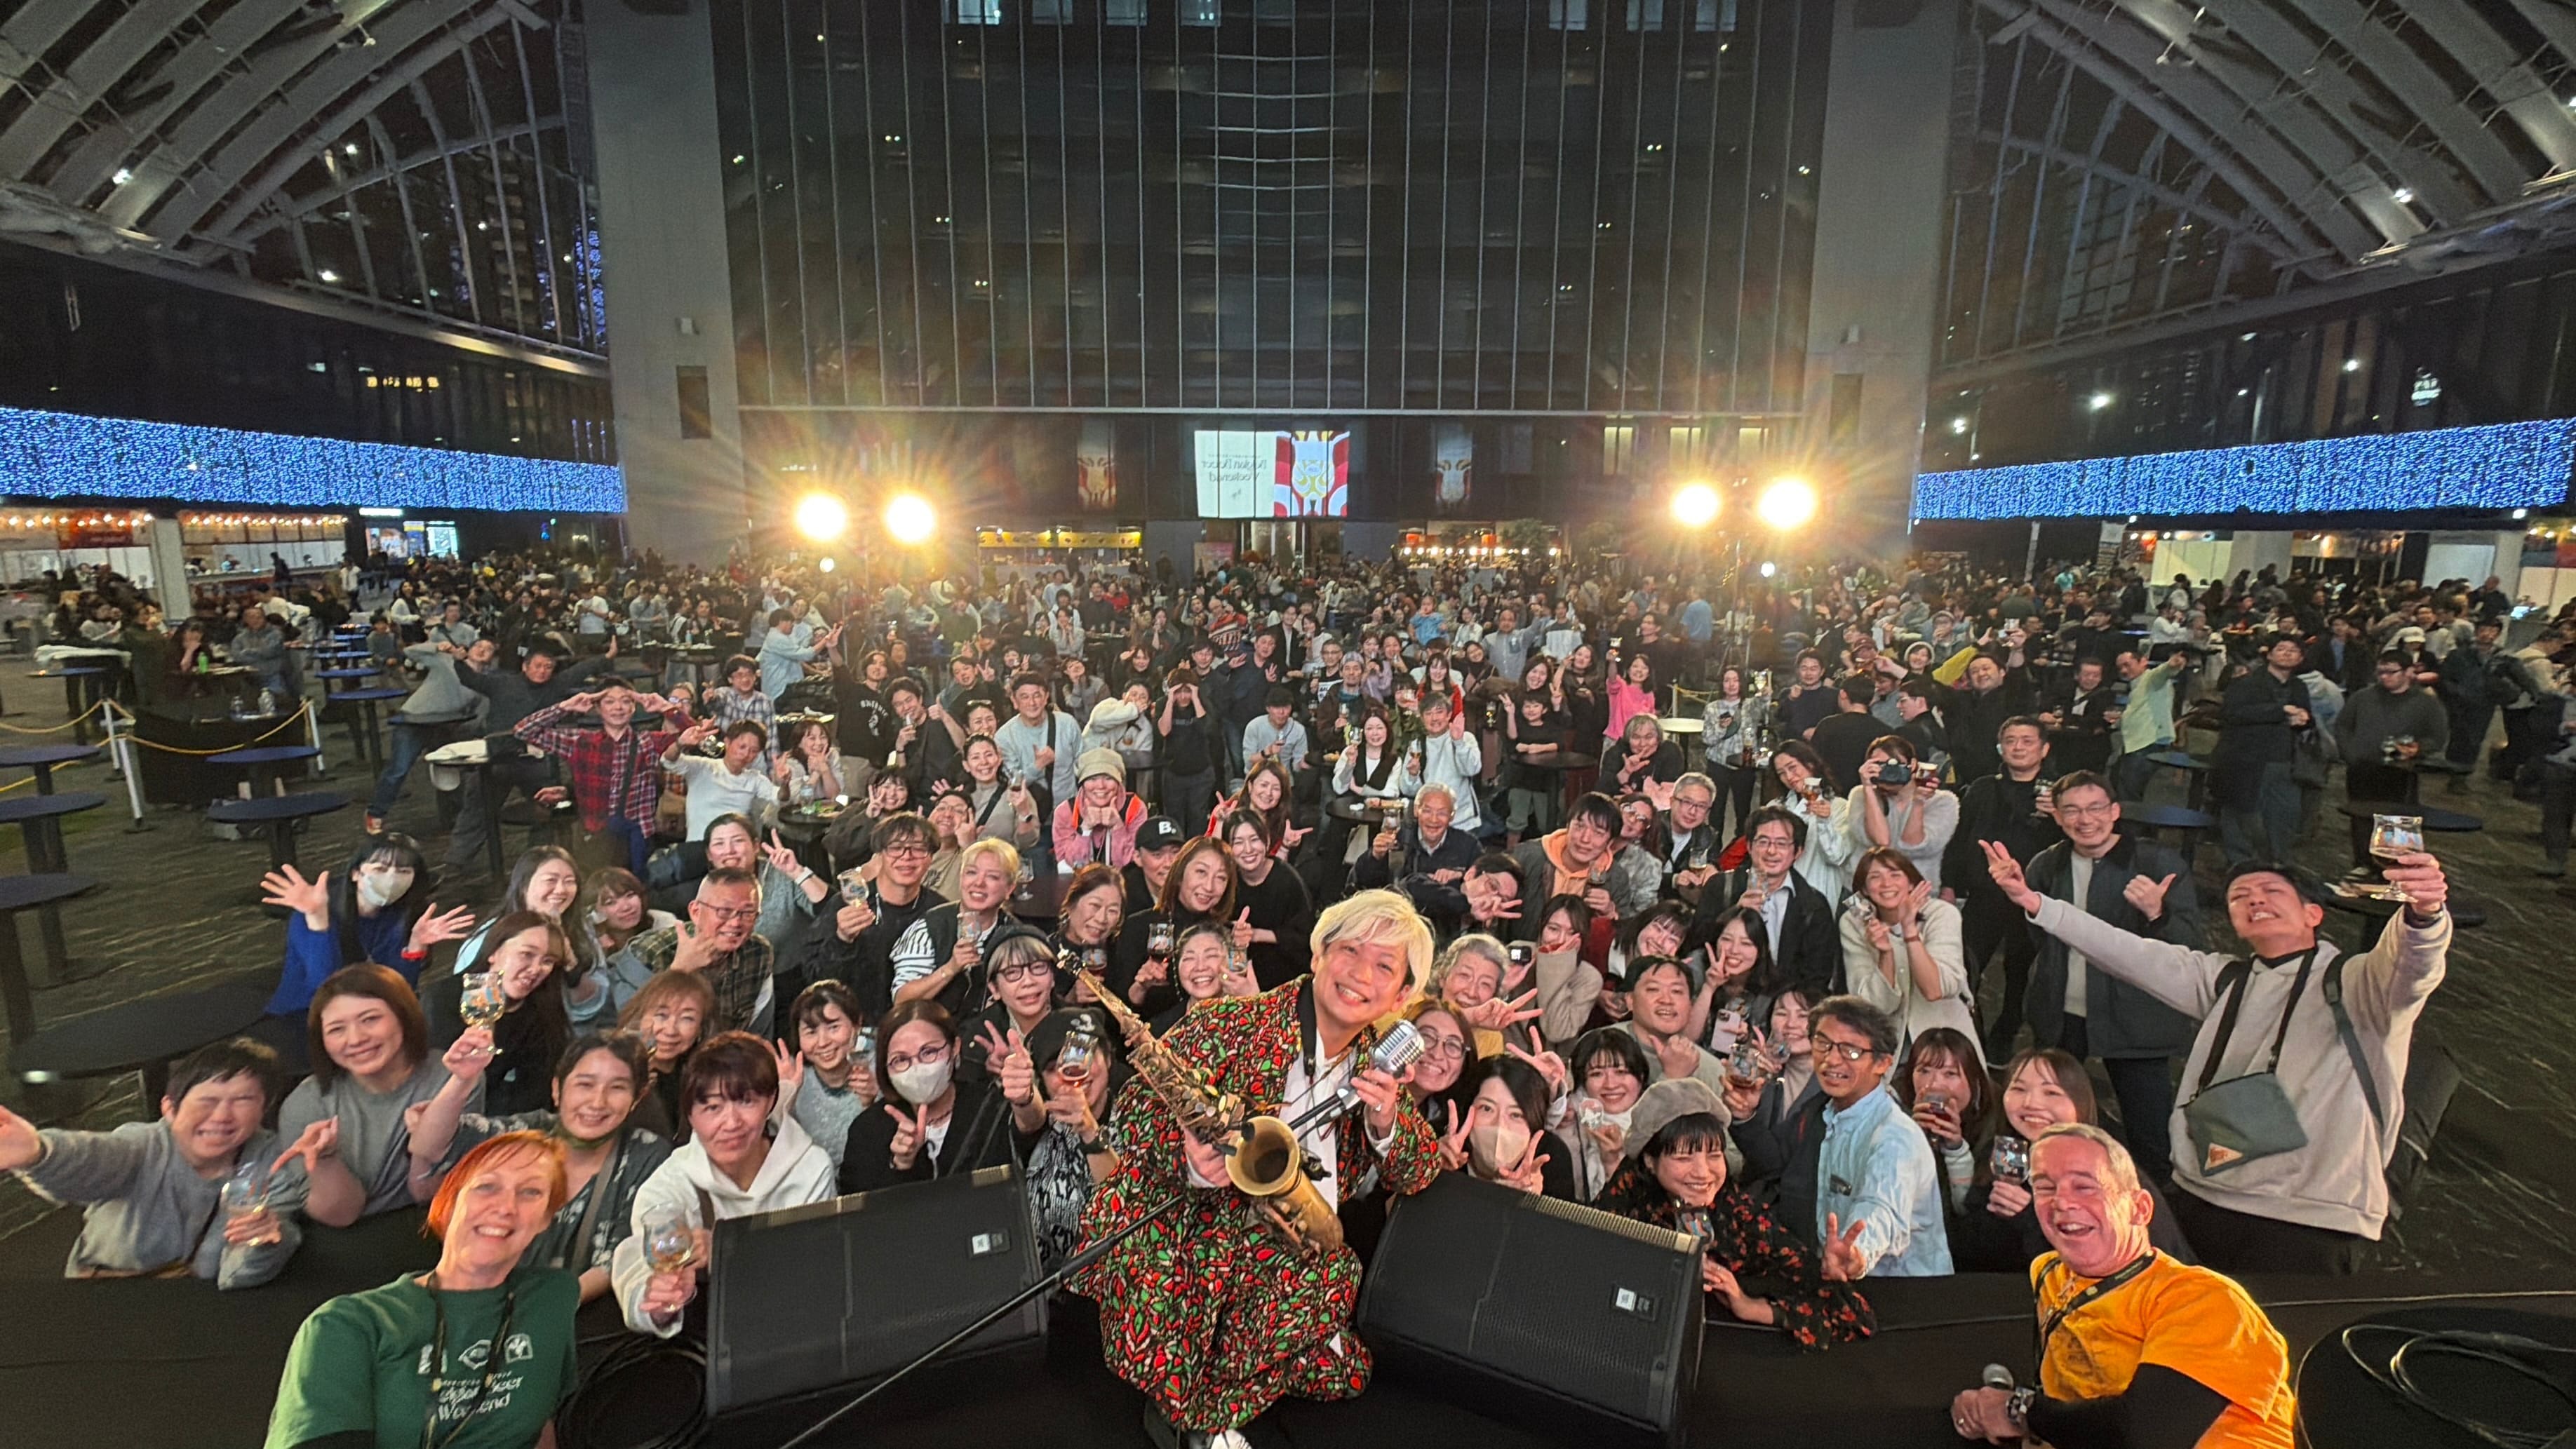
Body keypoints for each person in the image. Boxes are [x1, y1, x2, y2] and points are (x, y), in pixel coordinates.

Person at [1072, 890, 1442, 1448]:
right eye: (1349, 951)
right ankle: (1207, 1415)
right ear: (1318, 954)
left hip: (1286, 1242)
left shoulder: (1379, 1068)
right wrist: (1187, 1157)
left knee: (1342, 1339)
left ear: (1403, 994)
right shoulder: (1227, 1021)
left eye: (1385, 966)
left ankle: (1189, 1412)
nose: (1361, 974)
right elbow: (1135, 1110)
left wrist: (1385, 1119)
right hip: (1190, 1222)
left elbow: (1418, 1172)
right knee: (1299, 1343)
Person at [1984, 846, 2450, 1274]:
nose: (2254, 899)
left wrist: (2424, 913)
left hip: (2307, 1218)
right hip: (2200, 1200)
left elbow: (2412, 965)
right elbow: (2127, 952)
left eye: (2271, 891)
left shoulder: (2359, 985)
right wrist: (2036, 903)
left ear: (2314, 914)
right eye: (2239, 896)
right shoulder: (2227, 979)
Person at [1947, 1126, 2295, 1448]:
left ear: (2140, 1209)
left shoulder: (2204, 1300)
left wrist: (2017, 1411)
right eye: (2045, 1187)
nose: (2061, 1202)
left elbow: (2148, 1435)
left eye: (2085, 1187)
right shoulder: (2049, 1273)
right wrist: (1996, 1409)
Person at [265, 1132, 583, 1449]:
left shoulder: (551, 1296)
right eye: (487, 1186)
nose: (506, 1207)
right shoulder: (346, 1323)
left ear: (546, 1217)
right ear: (451, 1200)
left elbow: (542, 1421)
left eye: (530, 1192)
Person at [1592, 1079, 1874, 1349]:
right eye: (1683, 1157)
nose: (1703, 1172)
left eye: (1714, 1154)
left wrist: (1752, 1307)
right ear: (1649, 1161)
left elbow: (1853, 1314)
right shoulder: (1619, 1213)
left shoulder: (1734, 1210)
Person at [0, 1038, 303, 1288]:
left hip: (201, 1307)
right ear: (169, 1108)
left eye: (243, 1100)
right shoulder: (143, 1145)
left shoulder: (272, 1160)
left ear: (264, 1108)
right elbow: (96, 1159)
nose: (222, 1116)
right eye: (207, 1100)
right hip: (106, 1294)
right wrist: (41, 1153)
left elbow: (239, 1277)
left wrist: (264, 1241)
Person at [2014, 771, 2199, 1180]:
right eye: (2072, 811)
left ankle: (2155, 1204)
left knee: (2149, 1132)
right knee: (2049, 1119)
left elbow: (2190, 948)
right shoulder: (2047, 865)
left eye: (2095, 808)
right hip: (2062, 1013)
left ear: (2115, 811)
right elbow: (2038, 939)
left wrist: (2157, 914)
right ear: (2057, 817)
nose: (2085, 820)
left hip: (2136, 1019)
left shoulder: (2157, 864)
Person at [404, 1030, 676, 1302]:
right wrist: (462, 1080)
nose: (597, 1102)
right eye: (585, 1085)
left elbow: (618, 1257)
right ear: (557, 1089)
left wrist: (542, 1310)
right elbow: (428, 1148)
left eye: (617, 1088)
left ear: (636, 1099)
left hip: (570, 1309)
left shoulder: (646, 1154)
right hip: (483, 1299)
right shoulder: (529, 1131)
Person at [610, 1033, 838, 1336]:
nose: (731, 1123)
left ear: (771, 1101)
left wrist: (727, 1251)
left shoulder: (809, 1169)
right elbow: (638, 1264)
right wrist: (659, 1300)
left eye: (746, 1101)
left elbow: (819, 1269)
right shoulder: (671, 1184)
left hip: (797, 1328)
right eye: (712, 1107)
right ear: (690, 1115)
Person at [1948, 1050, 2193, 1273]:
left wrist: (2031, 1218)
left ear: (2080, 1103)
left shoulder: (2105, 1170)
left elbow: (2099, 1269)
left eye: (2052, 1093)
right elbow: (1972, 1251)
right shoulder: (2007, 1154)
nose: (2031, 1103)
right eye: (2019, 1089)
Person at [276, 965, 479, 1227]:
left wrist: (426, 1146)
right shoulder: (307, 1102)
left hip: (437, 1221)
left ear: (404, 1016)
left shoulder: (453, 1075)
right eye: (337, 1029)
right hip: (346, 1236)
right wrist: (326, 1159)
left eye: (370, 1019)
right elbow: (341, 1216)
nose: (356, 1039)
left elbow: (430, 1193)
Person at [1802, 995, 1952, 1276]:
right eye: (1823, 1043)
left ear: (1883, 1064)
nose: (1831, 1060)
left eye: (1851, 1051)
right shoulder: (1827, 1112)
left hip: (1903, 1291)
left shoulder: (1895, 1137)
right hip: (1843, 1279)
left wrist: (1857, 1253)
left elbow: (1881, 1208)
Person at [260, 833, 474, 1023]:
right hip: (305, 1015)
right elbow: (324, 986)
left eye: (403, 871)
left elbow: (399, 988)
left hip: (366, 1013)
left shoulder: (401, 914)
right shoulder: (314, 908)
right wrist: (318, 921)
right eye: (380, 869)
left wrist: (415, 946)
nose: (391, 879)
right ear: (356, 873)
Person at [1941, 717, 2060, 1053]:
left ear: (2044, 749)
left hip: (2032, 896)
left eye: (2027, 741)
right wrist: (1949, 886)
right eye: (2010, 741)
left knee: (2020, 968)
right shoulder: (1982, 788)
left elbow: (2073, 845)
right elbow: (1959, 840)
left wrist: (2059, 818)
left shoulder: (2058, 794)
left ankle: (2007, 1029)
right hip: (1984, 894)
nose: (2018, 747)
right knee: (1965, 962)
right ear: (2000, 748)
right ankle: (1961, 1032)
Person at [991, 1004, 1124, 1267]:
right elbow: (1031, 1116)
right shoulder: (1044, 1122)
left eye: (1084, 1056)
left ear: (1108, 1059)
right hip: (1048, 1279)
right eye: (1054, 1067)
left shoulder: (1140, 1112)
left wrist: (1088, 1129)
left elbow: (1125, 1204)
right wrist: (1023, 1096)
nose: (1074, 1074)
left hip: (1125, 1270)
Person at [839, 999, 1017, 1192]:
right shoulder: (866, 1131)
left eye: (929, 1052)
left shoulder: (993, 1109)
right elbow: (862, 1205)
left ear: (955, 1047)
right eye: (901, 1060)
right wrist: (902, 1164)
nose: (917, 1067)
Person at [511, 682, 686, 874]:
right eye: (609, 702)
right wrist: (565, 707)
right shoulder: (581, 741)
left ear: (633, 707)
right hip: (597, 839)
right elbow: (523, 730)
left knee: (638, 887)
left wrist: (666, 707)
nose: (618, 707)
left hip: (639, 839)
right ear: (598, 708)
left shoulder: (648, 742)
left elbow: (699, 737)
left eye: (625, 701)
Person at [422, 910, 576, 1117]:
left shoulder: (543, 1015)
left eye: (547, 961)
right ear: (494, 953)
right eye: (527, 954)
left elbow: (536, 1094)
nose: (535, 969)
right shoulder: (444, 997)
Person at [1837, 849, 1978, 1058]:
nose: (1886, 884)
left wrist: (1910, 931)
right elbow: (1874, 1006)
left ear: (1911, 883)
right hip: (1886, 1041)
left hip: (1943, 1035)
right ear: (1865, 890)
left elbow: (1935, 991)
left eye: (1895, 875)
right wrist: (1885, 954)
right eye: (1875, 877)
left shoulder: (1942, 913)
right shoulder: (1854, 922)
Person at [1696, 805, 1839, 997]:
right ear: (1749, 846)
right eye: (1763, 842)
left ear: (1798, 852)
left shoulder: (1813, 905)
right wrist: (1733, 912)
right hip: (1719, 995)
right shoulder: (1720, 886)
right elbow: (1695, 945)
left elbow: (1817, 976)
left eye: (1782, 844)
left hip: (1782, 1003)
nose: (1771, 851)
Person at [616, 868, 776, 1034]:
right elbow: (628, 1034)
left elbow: (758, 1033)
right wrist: (679, 970)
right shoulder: (650, 953)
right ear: (695, 912)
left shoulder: (758, 953)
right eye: (724, 911)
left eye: (748, 913)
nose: (736, 923)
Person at [887, 837, 1022, 1018]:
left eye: (992, 877)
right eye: (971, 873)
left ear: (1009, 889)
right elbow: (902, 1001)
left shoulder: (1016, 936)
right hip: (933, 1030)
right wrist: (951, 968)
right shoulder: (930, 927)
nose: (979, 883)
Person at [2212, 633, 2314, 863]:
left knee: (2283, 814)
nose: (2287, 654)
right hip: (2246, 758)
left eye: (2293, 651)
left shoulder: (2299, 687)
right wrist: (2280, 711)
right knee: (2241, 813)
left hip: (2284, 760)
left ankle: (2278, 863)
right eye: (2281, 649)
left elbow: (2307, 718)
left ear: (2300, 659)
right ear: (2269, 655)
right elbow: (2232, 714)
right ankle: (2240, 863)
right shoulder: (2246, 683)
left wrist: (2304, 720)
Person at [1510, 792, 1658, 927]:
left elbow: (1623, 933)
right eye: (1579, 827)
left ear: (1610, 841)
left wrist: (1610, 913)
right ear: (1568, 825)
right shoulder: (1527, 855)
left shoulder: (1617, 879)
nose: (1585, 839)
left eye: (1598, 833)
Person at [779, 980, 878, 1171]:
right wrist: (785, 1099)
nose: (823, 1042)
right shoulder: (790, 1075)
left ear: (857, 1024)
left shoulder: (881, 1066)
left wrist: (871, 1105)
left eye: (833, 1027)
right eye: (811, 1032)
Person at [616, 969, 714, 1140]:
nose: (670, 1030)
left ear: (700, 1030)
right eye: (661, 1015)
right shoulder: (616, 1071)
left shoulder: (703, 1079)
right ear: (640, 1017)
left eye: (687, 1018)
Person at [1850, 734, 1957, 891]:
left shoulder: (1943, 801)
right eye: (1880, 765)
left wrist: (1918, 802)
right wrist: (1868, 787)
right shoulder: (1861, 795)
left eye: (1894, 764)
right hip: (1867, 891)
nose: (1889, 771)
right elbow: (1882, 841)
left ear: (1912, 765)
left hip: (1918, 893)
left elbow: (1913, 846)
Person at [1224, 807, 1316, 989]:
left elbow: (1306, 936)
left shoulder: (1287, 880)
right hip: (1238, 967)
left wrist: (1257, 935)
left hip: (1285, 973)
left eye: (1254, 840)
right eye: (1238, 842)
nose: (1248, 849)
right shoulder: (1226, 879)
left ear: (1266, 841)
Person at [1565, 1027, 1651, 1200]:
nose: (1611, 1084)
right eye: (1597, 1074)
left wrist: (1613, 1162)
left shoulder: (1660, 1126)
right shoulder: (1566, 1121)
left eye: (1621, 1072)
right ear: (1582, 1082)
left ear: (1641, 1077)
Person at [1770, 741, 1860, 902]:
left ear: (1810, 764)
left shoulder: (1839, 807)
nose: (1789, 777)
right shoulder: (1775, 807)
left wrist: (1824, 822)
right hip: (1778, 891)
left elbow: (1837, 856)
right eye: (1781, 773)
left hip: (1819, 892)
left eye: (1792, 767)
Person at [665, 718, 781, 840]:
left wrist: (785, 783)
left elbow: (779, 797)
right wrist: (680, 743)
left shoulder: (755, 779)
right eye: (742, 747)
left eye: (754, 751)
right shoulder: (702, 767)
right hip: (699, 844)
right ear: (727, 742)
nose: (746, 754)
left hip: (735, 846)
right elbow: (669, 761)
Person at [1053, 748, 1147, 869]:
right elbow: (1070, 865)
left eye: (1108, 778)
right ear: (1082, 783)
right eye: (1092, 779)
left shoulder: (1135, 808)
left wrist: (1118, 827)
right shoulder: (1066, 811)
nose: (1101, 786)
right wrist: (1085, 830)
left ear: (1119, 781)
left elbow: (1134, 863)